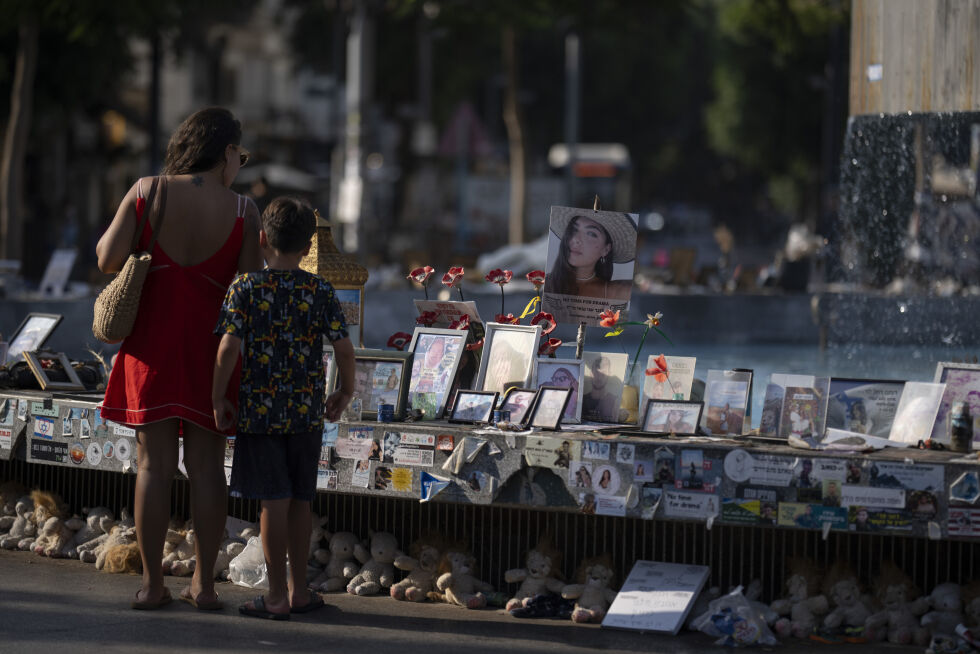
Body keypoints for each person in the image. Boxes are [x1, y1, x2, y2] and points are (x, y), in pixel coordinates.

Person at [96, 107, 263, 611]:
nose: (241, 164)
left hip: (152, 348)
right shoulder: (242, 212)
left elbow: (106, 258)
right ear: (226, 152)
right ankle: (204, 586)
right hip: (213, 353)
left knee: (153, 466)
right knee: (209, 468)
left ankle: (151, 585)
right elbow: (249, 296)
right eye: (241, 154)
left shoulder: (148, 191)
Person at [212, 196, 355, 620]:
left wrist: (218, 396)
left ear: (261, 240)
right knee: (300, 500)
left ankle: (273, 596)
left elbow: (227, 348)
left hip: (260, 413)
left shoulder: (246, 287)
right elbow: (344, 349)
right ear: (308, 246)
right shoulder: (320, 290)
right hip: (306, 414)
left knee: (272, 503)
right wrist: (344, 392)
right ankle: (298, 590)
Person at [544, 212, 636, 301]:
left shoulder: (617, 291)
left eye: (591, 234)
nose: (576, 239)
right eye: (574, 230)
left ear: (606, 249)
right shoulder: (541, 284)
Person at [583, 355, 620, 422]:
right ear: (591, 373)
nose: (599, 377)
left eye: (603, 373)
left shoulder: (615, 402)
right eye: (596, 372)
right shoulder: (581, 400)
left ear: (609, 374)